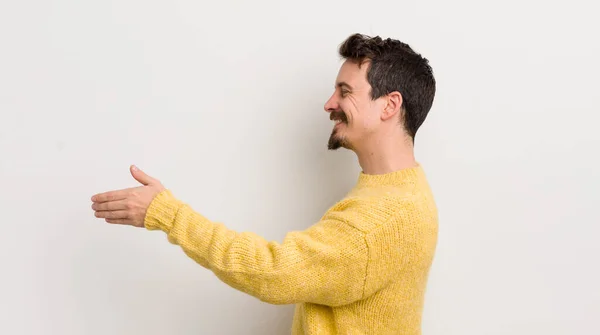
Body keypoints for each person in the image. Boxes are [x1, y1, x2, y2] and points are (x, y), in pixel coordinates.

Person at [91, 33, 438, 335]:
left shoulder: (382, 219)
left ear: (389, 105)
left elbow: (275, 272)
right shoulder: (403, 190)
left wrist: (167, 213)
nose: (329, 104)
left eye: (344, 92)